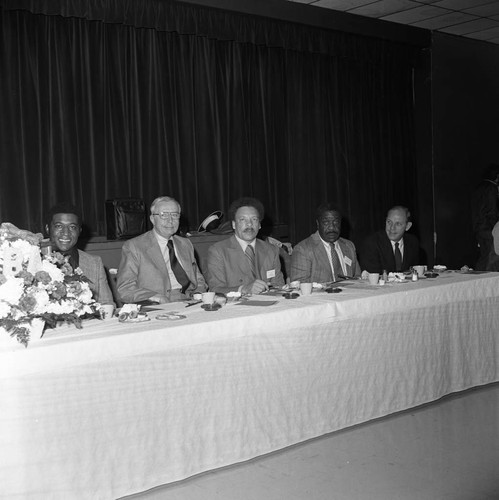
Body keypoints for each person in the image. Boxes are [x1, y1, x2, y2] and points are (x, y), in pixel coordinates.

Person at [117, 196, 207, 303]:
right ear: (152, 219)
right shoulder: (135, 246)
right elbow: (124, 289)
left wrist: (198, 293)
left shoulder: (185, 244)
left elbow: (199, 279)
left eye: (175, 215)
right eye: (164, 215)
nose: (170, 221)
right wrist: (156, 297)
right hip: (157, 304)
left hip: (189, 300)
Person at [206, 197, 284, 294]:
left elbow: (279, 286)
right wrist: (243, 289)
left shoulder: (272, 250)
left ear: (259, 225)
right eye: (243, 219)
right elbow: (215, 289)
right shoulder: (218, 251)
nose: (249, 224)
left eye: (254, 219)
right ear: (234, 224)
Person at [46, 202, 114, 305]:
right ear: (48, 229)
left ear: (79, 231)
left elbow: (107, 305)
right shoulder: (32, 261)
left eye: (72, 227)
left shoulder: (95, 263)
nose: (66, 233)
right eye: (59, 226)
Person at [290, 203, 361, 283]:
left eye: (336, 222)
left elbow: (357, 279)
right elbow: (299, 285)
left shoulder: (349, 246)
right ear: (318, 224)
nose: (331, 227)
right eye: (326, 222)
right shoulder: (303, 249)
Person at [360, 205, 420, 274]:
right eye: (389, 222)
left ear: (407, 226)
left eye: (398, 224)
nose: (392, 228)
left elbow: (413, 273)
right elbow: (373, 277)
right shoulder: (372, 243)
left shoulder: (413, 242)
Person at [471, 163, 499, 271]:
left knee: (484, 256)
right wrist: (495, 228)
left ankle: (479, 281)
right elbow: (492, 211)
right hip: (488, 229)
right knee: (491, 258)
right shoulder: (491, 188)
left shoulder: (479, 187)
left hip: (478, 227)